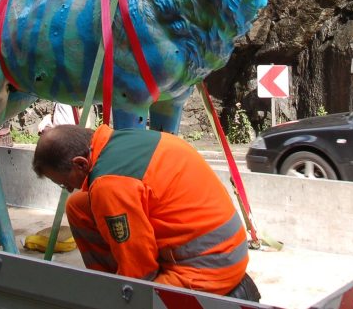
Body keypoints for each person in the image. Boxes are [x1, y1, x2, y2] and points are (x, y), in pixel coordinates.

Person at [32, 124, 260, 301]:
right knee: (77, 205)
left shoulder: (110, 185)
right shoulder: (124, 140)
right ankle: (105, 281)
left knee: (137, 297)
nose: (69, 188)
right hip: (227, 246)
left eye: (64, 182)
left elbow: (139, 271)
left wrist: (124, 297)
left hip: (209, 265)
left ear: (81, 164)